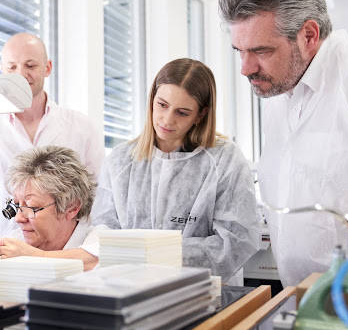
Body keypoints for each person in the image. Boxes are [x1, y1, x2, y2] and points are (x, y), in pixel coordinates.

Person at [218, 0, 348, 289]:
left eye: (260, 51)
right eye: (239, 51)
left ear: (308, 35)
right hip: (302, 303)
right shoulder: (281, 90)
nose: (245, 68)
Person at [91, 58, 260, 285]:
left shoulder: (225, 160)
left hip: (204, 292)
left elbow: (236, 241)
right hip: (130, 288)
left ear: (200, 115)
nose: (167, 119)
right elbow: (103, 231)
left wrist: (155, 256)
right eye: (162, 105)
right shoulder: (121, 161)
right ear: (152, 100)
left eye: (182, 112)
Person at [0, 32, 105, 240]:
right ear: (2, 70)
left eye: (30, 66)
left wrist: (87, 250)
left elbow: (97, 198)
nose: (21, 74)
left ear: (47, 68)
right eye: (12, 67)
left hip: (63, 251)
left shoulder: (81, 127)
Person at [0, 145, 99, 272]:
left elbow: (98, 259)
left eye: (32, 207)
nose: (19, 218)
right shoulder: (17, 240)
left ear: (71, 207)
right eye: (17, 205)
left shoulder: (97, 238)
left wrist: (34, 258)